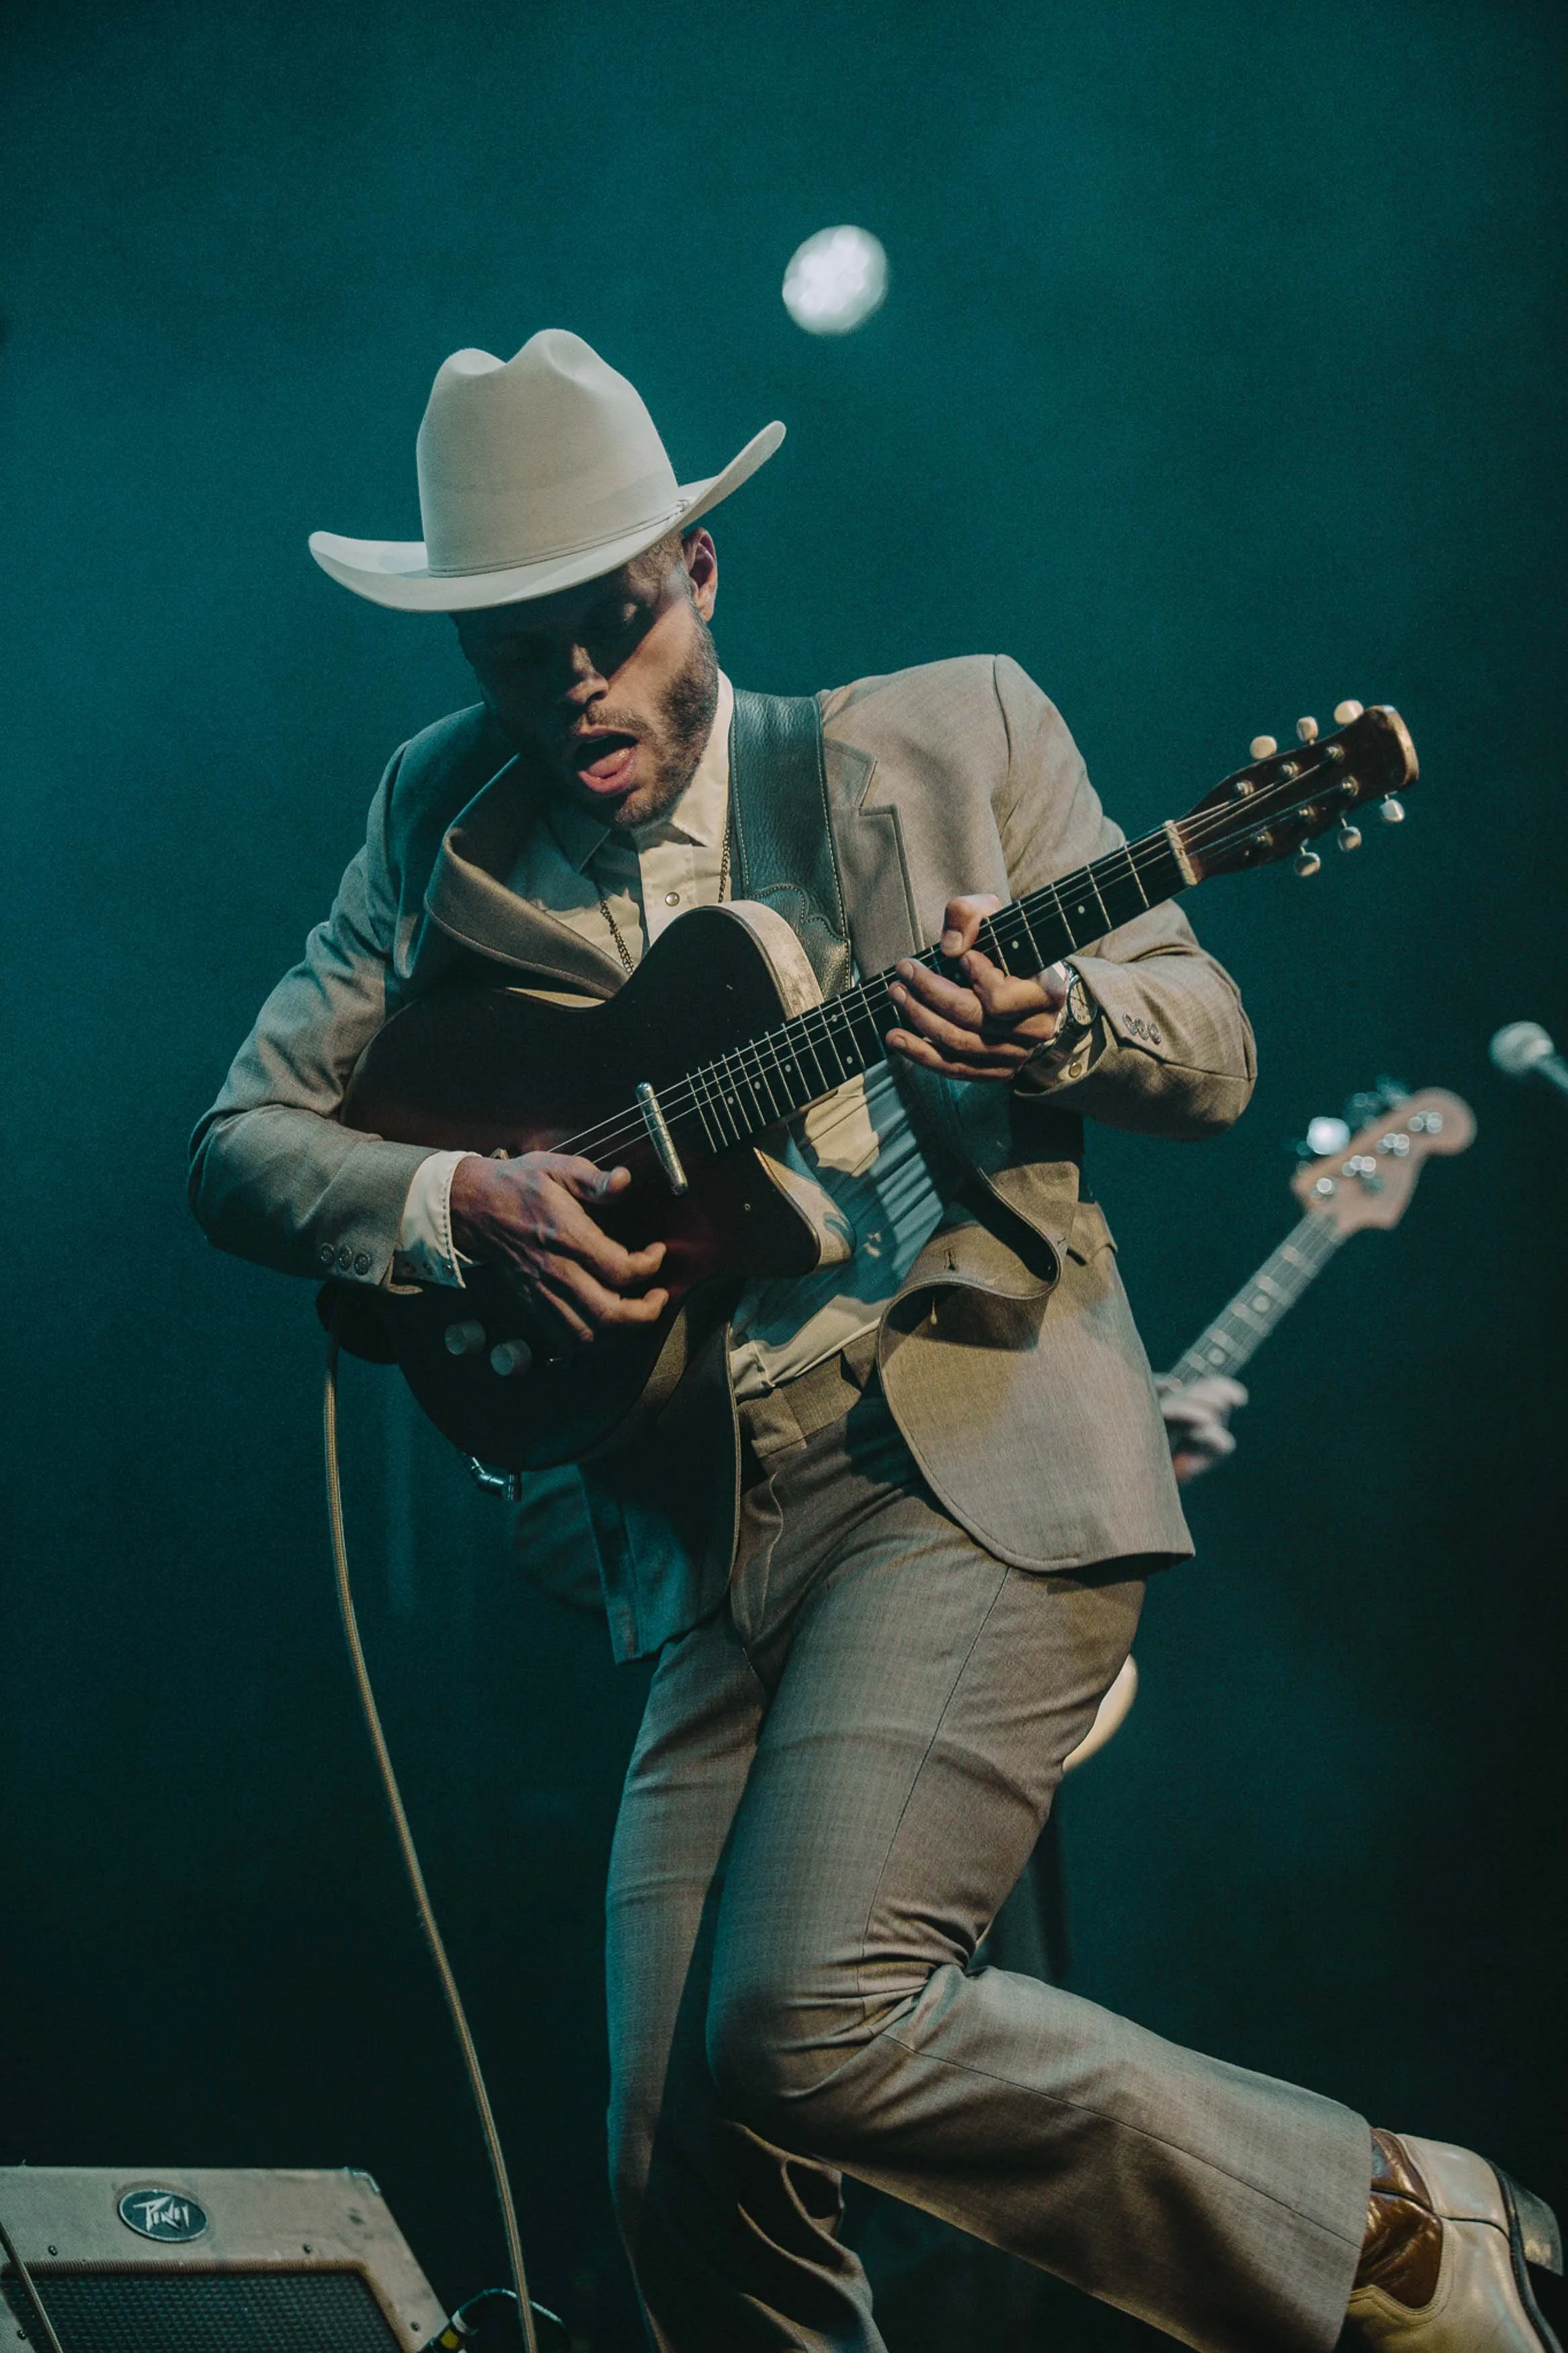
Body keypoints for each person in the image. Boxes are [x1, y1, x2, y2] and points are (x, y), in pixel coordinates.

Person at [190, 329, 1559, 2353]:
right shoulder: (434, 819)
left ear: (699, 573)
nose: (574, 688)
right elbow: (240, 1146)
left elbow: (1210, 1043)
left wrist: (1052, 1024)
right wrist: (462, 1200)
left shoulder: (949, 731)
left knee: (804, 2017)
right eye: (515, 650)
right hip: (700, 1532)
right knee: (673, 2161)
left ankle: (1387, 2229)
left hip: (961, 1453)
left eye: (612, 624)